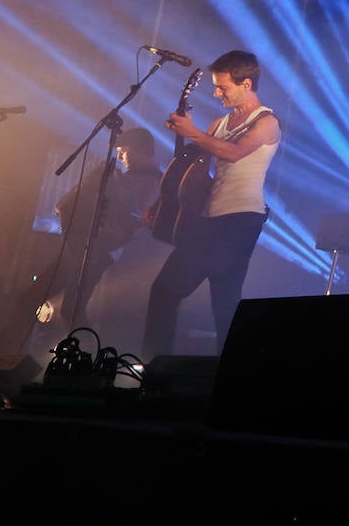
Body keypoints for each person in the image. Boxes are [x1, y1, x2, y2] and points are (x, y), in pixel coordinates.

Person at [141, 50, 280, 360]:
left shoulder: (267, 122)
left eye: (223, 87)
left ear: (246, 84)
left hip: (242, 220)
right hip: (208, 221)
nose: (217, 93)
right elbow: (193, 170)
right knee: (165, 290)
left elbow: (234, 153)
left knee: (225, 302)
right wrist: (163, 200)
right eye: (216, 86)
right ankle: (154, 370)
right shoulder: (221, 122)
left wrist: (192, 132)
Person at [52, 126, 163, 328]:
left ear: (139, 149)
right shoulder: (128, 176)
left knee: (71, 309)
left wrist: (110, 178)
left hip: (103, 250)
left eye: (123, 152)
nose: (120, 157)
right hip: (86, 245)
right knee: (61, 306)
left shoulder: (153, 180)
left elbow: (136, 210)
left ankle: (87, 352)